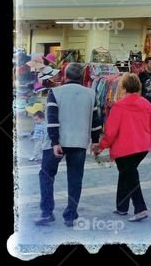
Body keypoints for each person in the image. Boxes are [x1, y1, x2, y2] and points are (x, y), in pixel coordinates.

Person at [36, 63, 102, 227]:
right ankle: (70, 215)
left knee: (46, 175)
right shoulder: (91, 94)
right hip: (79, 142)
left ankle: (47, 212)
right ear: (82, 77)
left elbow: (52, 119)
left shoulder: (55, 93)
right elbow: (96, 121)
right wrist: (95, 141)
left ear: (65, 76)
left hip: (56, 143)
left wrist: (55, 142)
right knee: (75, 178)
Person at [94, 73, 151, 222]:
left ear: (122, 87)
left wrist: (101, 146)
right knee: (126, 174)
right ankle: (122, 207)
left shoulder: (119, 106)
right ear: (139, 86)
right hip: (141, 147)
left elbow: (111, 131)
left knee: (130, 176)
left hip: (124, 149)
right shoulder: (146, 104)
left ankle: (140, 208)